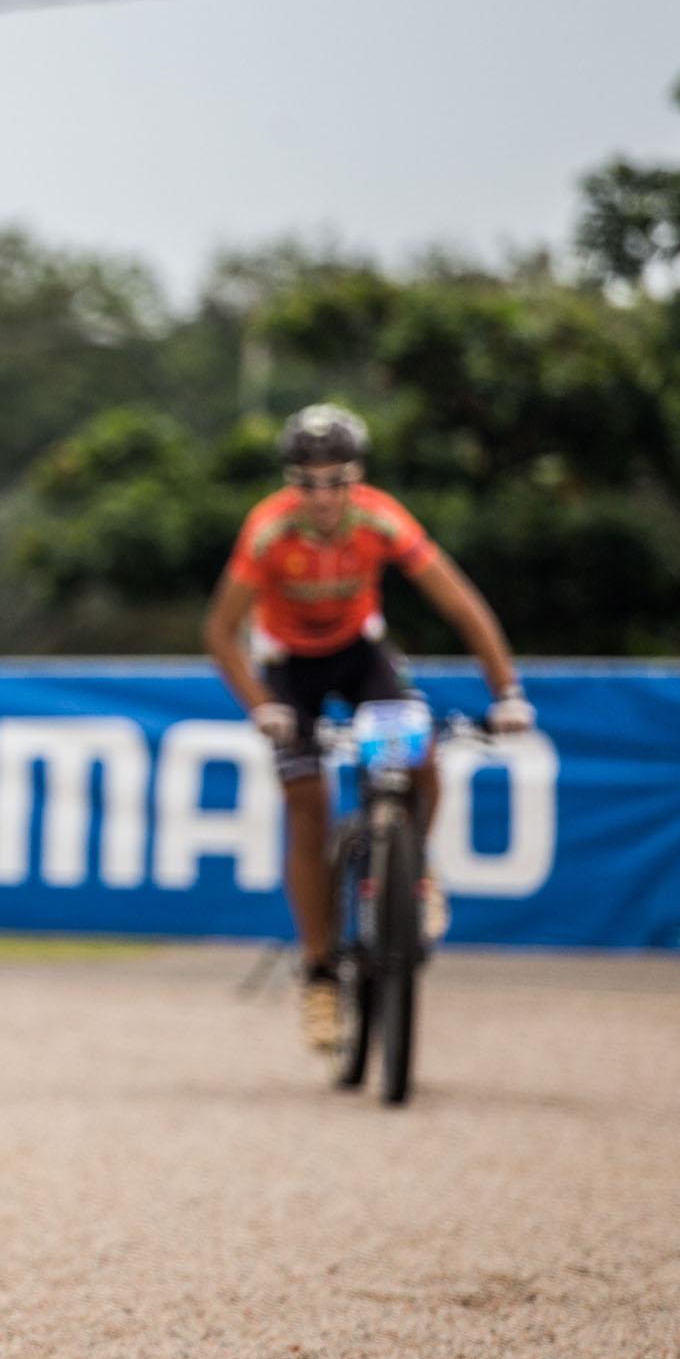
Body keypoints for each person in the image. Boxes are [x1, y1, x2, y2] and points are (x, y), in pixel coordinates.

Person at [202, 404, 533, 1052]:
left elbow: (462, 606)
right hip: (287, 666)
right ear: (290, 484)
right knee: (308, 805)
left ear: (358, 480)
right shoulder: (268, 532)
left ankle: (414, 872)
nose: (323, 498)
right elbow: (219, 632)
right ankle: (320, 973)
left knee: (421, 756)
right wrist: (258, 707)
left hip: (362, 656)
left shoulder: (382, 520)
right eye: (308, 482)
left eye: (337, 481)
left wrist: (508, 693)